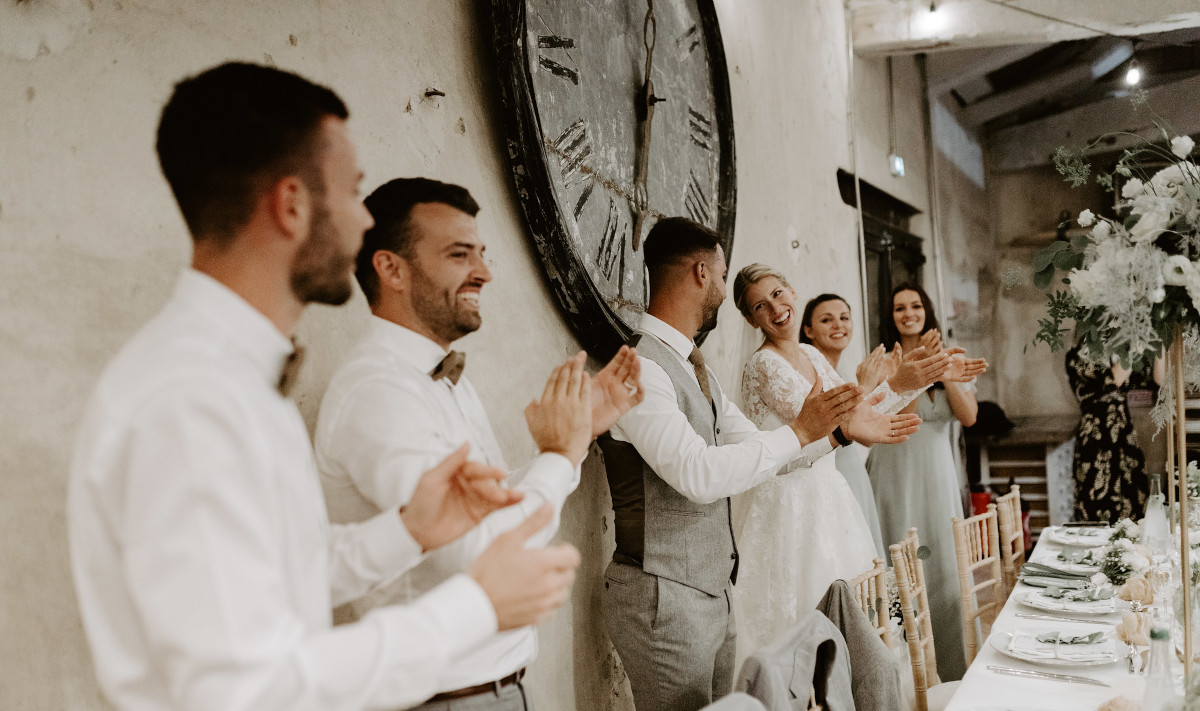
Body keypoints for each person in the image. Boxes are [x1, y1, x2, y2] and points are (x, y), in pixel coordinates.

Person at [68, 63, 581, 711]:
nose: (365, 225)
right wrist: (474, 605)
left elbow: (289, 571)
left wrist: (411, 527)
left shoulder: (240, 378)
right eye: (352, 194)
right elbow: (242, 687)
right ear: (291, 205)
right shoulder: (190, 397)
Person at [315, 177, 644, 710]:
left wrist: (575, 437)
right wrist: (559, 457)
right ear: (390, 268)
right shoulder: (379, 394)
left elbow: (472, 513)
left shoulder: (442, 377)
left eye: (483, 254)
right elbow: (480, 552)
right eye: (460, 254)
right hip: (446, 696)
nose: (485, 272)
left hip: (489, 690)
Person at [598, 217, 922, 711]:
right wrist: (802, 430)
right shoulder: (641, 368)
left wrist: (833, 433)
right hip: (662, 596)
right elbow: (697, 474)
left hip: (712, 592)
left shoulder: (693, 367)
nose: (726, 293)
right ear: (702, 273)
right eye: (726, 279)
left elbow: (766, 453)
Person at [731, 267, 984, 652]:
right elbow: (817, 433)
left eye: (779, 294)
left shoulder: (812, 354)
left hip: (832, 497)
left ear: (793, 292)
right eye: (761, 305)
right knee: (806, 622)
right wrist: (888, 392)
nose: (776, 308)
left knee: (863, 616)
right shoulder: (763, 365)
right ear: (751, 319)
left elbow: (858, 411)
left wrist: (906, 381)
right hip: (791, 506)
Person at [866, 282, 981, 682]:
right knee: (906, 564)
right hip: (897, 470)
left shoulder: (949, 357)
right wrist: (913, 371)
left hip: (937, 474)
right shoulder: (885, 361)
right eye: (899, 308)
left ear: (927, 311)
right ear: (891, 316)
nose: (908, 313)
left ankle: (953, 671)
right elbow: (905, 421)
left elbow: (968, 417)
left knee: (944, 567)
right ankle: (911, 676)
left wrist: (942, 368)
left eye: (915, 306)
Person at [1066, 340, 1157, 522]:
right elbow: (1113, 380)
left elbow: (1157, 379)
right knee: (1095, 503)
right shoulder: (1078, 356)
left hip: (1124, 435)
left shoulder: (1118, 355)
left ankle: (1128, 548)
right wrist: (1135, 344)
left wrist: (1162, 340)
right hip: (1095, 438)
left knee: (1134, 499)